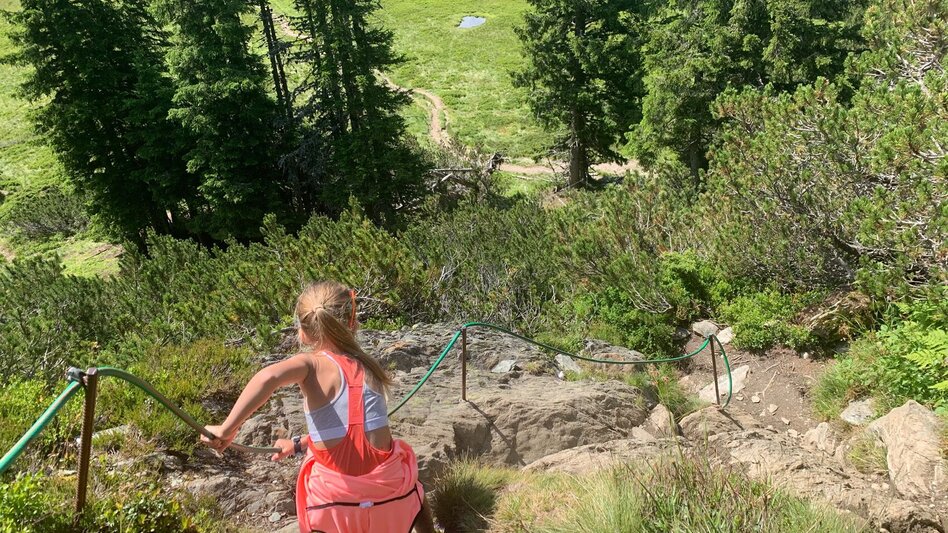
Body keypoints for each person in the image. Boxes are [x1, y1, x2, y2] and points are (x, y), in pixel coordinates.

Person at [201, 281, 436, 533]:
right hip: (393, 502)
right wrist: (299, 444)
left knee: (316, 472)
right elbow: (351, 433)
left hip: (335, 506)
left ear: (303, 332)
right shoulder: (370, 367)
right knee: (410, 478)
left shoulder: (310, 365)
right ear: (351, 322)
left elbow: (267, 378)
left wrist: (227, 428)